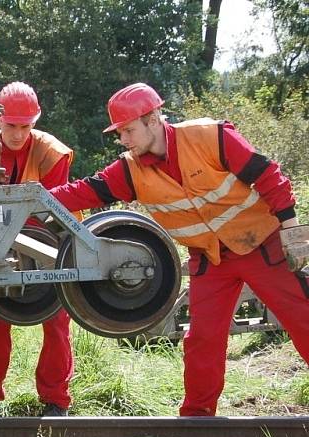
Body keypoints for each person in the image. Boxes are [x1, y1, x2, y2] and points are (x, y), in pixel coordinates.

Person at [48, 82, 309, 416]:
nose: (124, 141)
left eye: (128, 131)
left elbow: (267, 173)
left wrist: (291, 227)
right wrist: (34, 199)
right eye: (120, 134)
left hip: (262, 245)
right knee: (202, 341)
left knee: (302, 318)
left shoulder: (210, 136)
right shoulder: (131, 169)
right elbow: (86, 191)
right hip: (211, 260)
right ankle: (197, 422)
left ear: (153, 119)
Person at [0, 82, 80, 418]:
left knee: (57, 320)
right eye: (11, 126)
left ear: (35, 122)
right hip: (0, 242)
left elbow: (55, 209)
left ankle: (56, 400)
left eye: (25, 127)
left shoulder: (52, 152)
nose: (17, 134)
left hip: (51, 241)